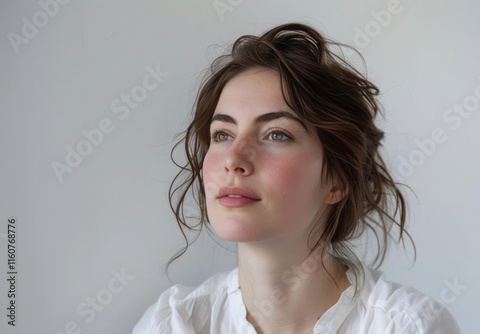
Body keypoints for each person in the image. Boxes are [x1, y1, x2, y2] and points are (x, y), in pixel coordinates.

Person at [133, 22, 461, 333]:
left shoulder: (408, 326)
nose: (233, 159)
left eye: (276, 135)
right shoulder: (172, 325)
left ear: (337, 180)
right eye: (222, 134)